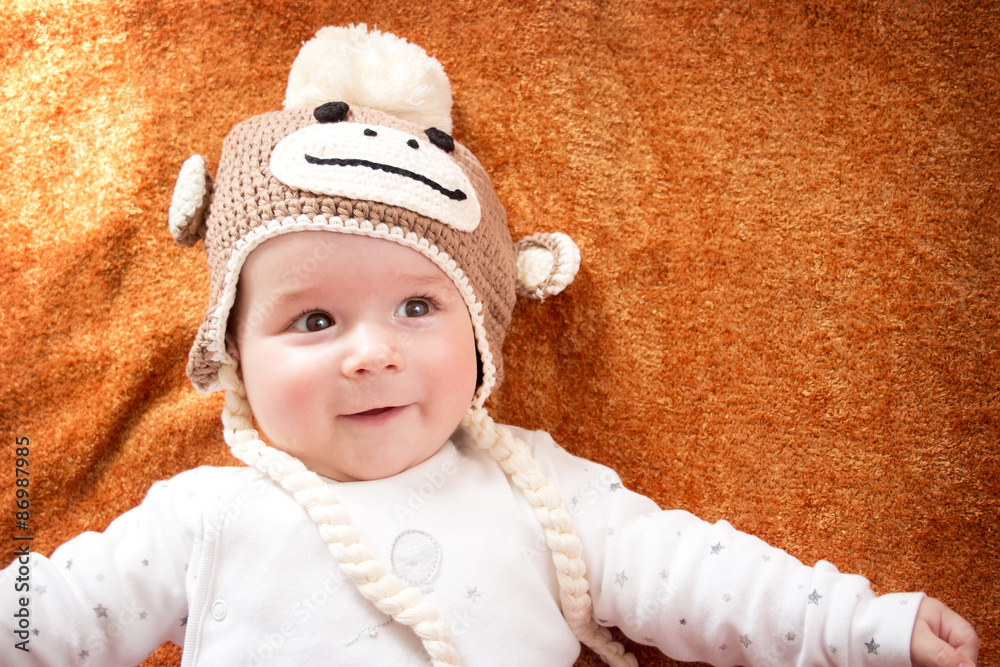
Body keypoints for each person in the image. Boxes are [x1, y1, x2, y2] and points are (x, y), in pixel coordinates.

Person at [1, 25, 979, 667]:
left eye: (419, 309)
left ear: (484, 327)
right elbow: (51, 611)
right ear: (232, 351)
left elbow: (701, 578)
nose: (370, 354)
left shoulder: (545, 496)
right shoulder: (203, 516)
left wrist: (865, 628)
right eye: (312, 320)